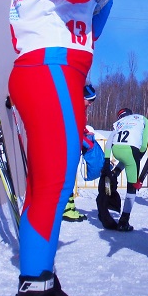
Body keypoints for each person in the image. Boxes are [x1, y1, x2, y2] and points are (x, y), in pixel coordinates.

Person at [7, 0, 120, 296]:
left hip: (66, 71)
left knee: (50, 183)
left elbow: (88, 19)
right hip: (45, 67)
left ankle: (43, 285)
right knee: (53, 182)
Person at [102, 108, 148, 231]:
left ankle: (114, 174)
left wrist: (107, 160)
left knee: (126, 160)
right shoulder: (142, 119)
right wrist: (139, 155)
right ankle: (124, 221)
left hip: (116, 149)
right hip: (131, 150)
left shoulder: (120, 122)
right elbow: (144, 144)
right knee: (132, 187)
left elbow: (110, 140)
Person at [63, 84, 97, 222]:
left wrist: (85, 132)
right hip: (68, 149)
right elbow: (72, 130)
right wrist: (87, 142)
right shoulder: (75, 109)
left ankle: (69, 208)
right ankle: (66, 210)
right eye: (90, 100)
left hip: (73, 148)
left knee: (69, 179)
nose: (91, 103)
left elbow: (79, 128)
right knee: (67, 179)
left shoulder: (79, 110)